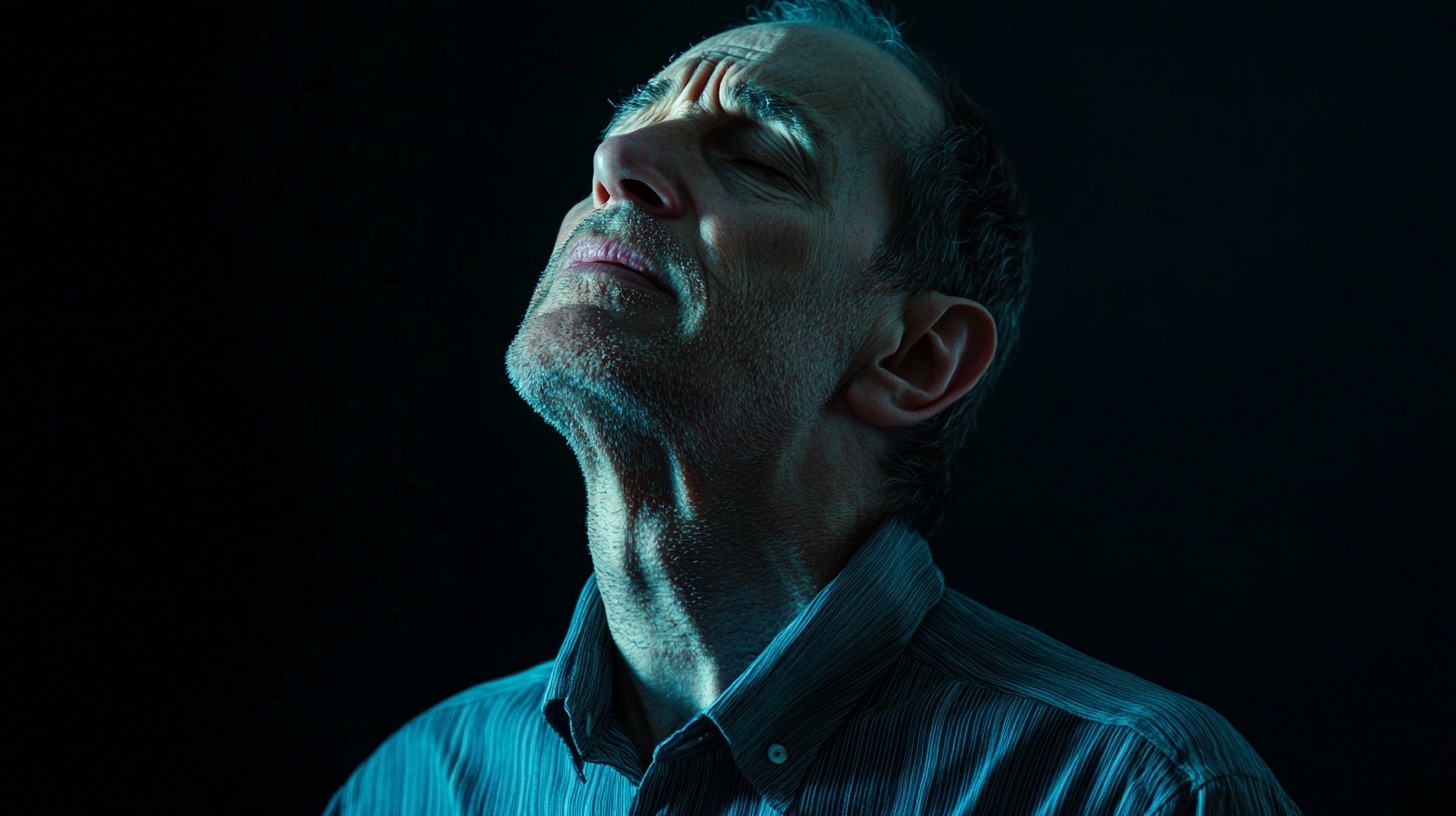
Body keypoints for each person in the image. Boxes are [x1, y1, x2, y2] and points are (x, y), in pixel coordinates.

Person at [325, 0, 1301, 812]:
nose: (618, 160)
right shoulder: (413, 785)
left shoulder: (1134, 790)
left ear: (915, 357)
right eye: (626, 124)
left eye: (759, 155)